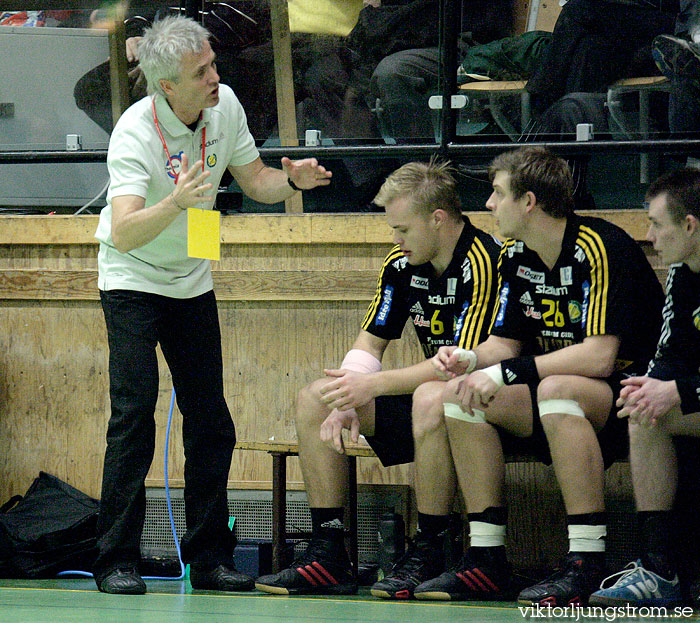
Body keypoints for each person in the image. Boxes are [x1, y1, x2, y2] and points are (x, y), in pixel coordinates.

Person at [93, 15, 331, 595]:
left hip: (191, 278)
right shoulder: (134, 133)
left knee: (211, 421)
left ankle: (208, 558)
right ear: (166, 86)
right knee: (132, 416)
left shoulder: (224, 111)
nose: (216, 79)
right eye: (201, 72)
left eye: (213, 65)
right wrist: (176, 202)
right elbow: (122, 232)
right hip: (132, 276)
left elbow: (254, 181)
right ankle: (116, 559)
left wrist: (292, 180)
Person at [412, 146, 664, 605]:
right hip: (556, 392)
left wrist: (506, 371)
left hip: (632, 396)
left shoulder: (598, 247)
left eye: (496, 193)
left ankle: (588, 560)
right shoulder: (516, 254)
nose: (488, 204)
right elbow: (503, 344)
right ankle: (486, 560)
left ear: (528, 202)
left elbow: (599, 358)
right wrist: (468, 359)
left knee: (556, 386)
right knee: (459, 394)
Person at [254, 159, 502, 596]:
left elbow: (462, 363)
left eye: (403, 229)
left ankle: (430, 547)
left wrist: (372, 386)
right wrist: (349, 391)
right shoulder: (402, 263)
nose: (395, 239)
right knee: (317, 398)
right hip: (428, 395)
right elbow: (371, 342)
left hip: (478, 397)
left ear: (438, 220)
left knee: (431, 392)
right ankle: (330, 550)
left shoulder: (484, 262)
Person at [588, 169, 700, 608]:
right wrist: (651, 387)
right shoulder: (684, 271)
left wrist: (683, 392)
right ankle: (659, 568)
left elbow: (682, 385)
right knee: (643, 411)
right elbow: (669, 351)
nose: (649, 236)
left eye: (656, 223)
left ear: (689, 225)